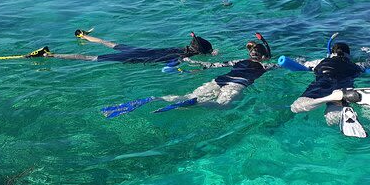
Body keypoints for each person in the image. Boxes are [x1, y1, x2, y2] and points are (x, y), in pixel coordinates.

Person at [101, 34, 276, 116]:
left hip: (218, 80)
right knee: (223, 105)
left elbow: (210, 65)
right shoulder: (267, 66)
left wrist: (191, 62)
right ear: (264, 57)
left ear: (250, 54)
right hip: (236, 84)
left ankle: (154, 99)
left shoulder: (236, 61)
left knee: (187, 95)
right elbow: (298, 64)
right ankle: (196, 104)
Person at [290, 42, 370, 136]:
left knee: (295, 108)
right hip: (344, 86)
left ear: (332, 53)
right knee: (330, 119)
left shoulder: (320, 61)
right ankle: (343, 111)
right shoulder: (357, 65)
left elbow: (301, 64)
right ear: (348, 54)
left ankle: (330, 98)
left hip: (323, 83)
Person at [22, 30, 215, 64]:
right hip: (136, 58)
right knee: (91, 59)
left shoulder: (178, 49)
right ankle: (49, 56)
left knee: (109, 43)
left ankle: (84, 36)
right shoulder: (184, 58)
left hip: (137, 50)